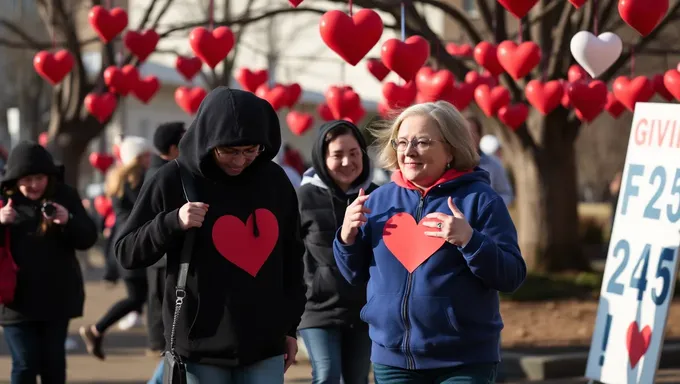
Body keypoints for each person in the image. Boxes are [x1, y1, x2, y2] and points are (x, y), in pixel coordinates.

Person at [114, 86, 306, 383]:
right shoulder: (172, 178)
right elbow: (126, 251)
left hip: (266, 346)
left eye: (250, 151)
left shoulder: (275, 180)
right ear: (207, 141)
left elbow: (292, 258)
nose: (240, 161)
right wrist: (171, 222)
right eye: (228, 150)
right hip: (199, 350)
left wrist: (290, 328)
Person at [333, 101, 526, 383]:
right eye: (401, 142)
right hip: (392, 360)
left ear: (450, 149)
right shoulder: (377, 200)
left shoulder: (481, 200)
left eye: (421, 142)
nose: (408, 151)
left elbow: (512, 276)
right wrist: (346, 239)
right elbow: (353, 274)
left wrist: (471, 241)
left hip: (464, 361)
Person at [0, 141, 98, 384]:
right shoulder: (3, 200)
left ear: (49, 176)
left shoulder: (64, 195)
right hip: (15, 302)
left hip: (55, 299)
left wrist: (68, 220)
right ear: (14, 179)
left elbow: (88, 238)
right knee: (24, 364)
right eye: (26, 179)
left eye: (39, 178)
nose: (33, 185)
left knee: (53, 365)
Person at [297, 121, 377, 384]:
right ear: (322, 158)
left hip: (364, 308)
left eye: (354, 153)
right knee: (327, 374)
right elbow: (289, 255)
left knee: (357, 379)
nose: (347, 162)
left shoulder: (377, 196)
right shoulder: (303, 197)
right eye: (337, 155)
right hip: (317, 307)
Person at [80, 136, 153, 360]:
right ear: (138, 158)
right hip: (135, 245)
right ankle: (97, 329)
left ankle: (97, 330)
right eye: (147, 155)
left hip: (123, 243)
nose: (151, 159)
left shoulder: (118, 179)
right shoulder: (136, 181)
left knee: (140, 298)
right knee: (140, 298)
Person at [466, 117, 514, 206]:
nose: (469, 136)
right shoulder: (451, 164)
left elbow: (506, 194)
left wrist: (491, 206)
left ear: (480, 136)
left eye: (473, 132)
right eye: (464, 133)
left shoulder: (494, 164)